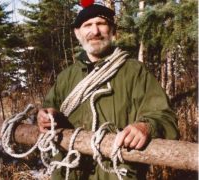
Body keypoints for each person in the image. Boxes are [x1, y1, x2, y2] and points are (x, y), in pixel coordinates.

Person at [37, 2, 179, 180]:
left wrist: (146, 127)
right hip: (69, 173)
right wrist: (48, 117)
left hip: (117, 174)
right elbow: (50, 108)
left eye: (101, 24)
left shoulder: (134, 72)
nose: (95, 31)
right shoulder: (66, 77)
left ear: (113, 31)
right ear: (77, 33)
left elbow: (165, 117)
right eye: (87, 25)